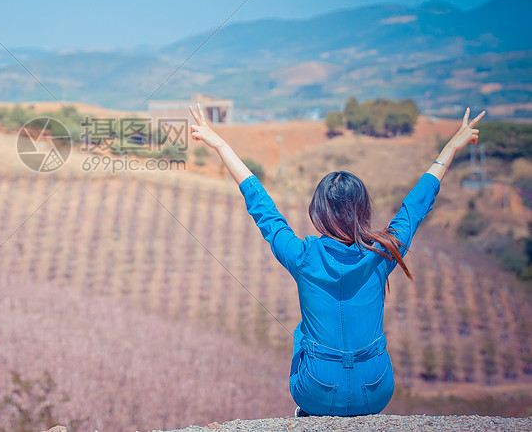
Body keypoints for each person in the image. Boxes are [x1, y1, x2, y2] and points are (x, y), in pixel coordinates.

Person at [188, 104, 485, 416]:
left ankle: (311, 414)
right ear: (363, 209)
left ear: (318, 212)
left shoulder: (302, 256)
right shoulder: (384, 251)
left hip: (317, 389)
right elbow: (415, 206)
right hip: (376, 389)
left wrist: (220, 145)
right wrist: (451, 147)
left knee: (303, 333)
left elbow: (263, 208)